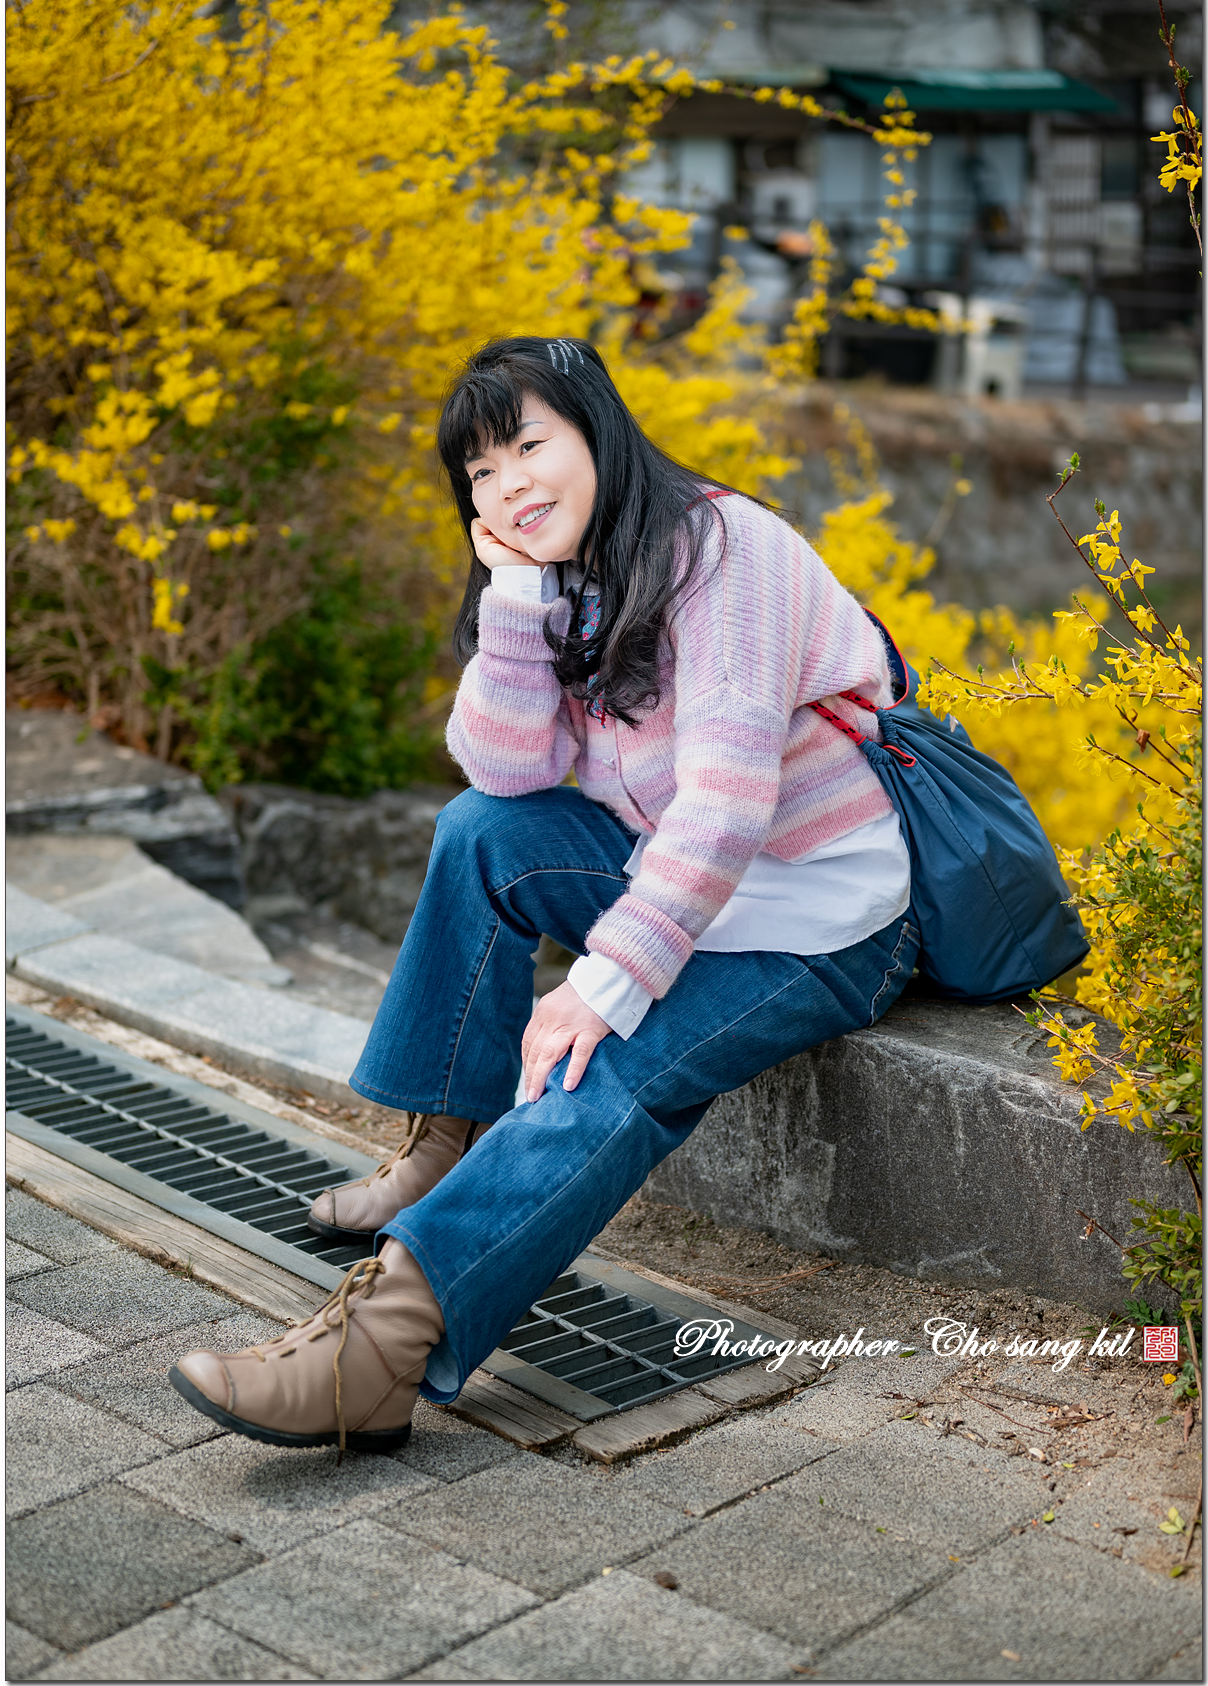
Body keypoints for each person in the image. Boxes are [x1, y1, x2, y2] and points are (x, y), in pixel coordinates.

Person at [170, 335, 918, 1455]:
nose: (509, 484)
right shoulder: (569, 574)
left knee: (598, 1058)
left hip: (820, 914)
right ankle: (444, 1148)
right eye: (480, 471)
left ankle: (378, 1352)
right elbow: (503, 771)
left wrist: (604, 981)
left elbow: (727, 805)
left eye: (529, 445)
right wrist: (516, 597)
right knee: (481, 833)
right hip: (692, 879)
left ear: (598, 433)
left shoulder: (726, 552)